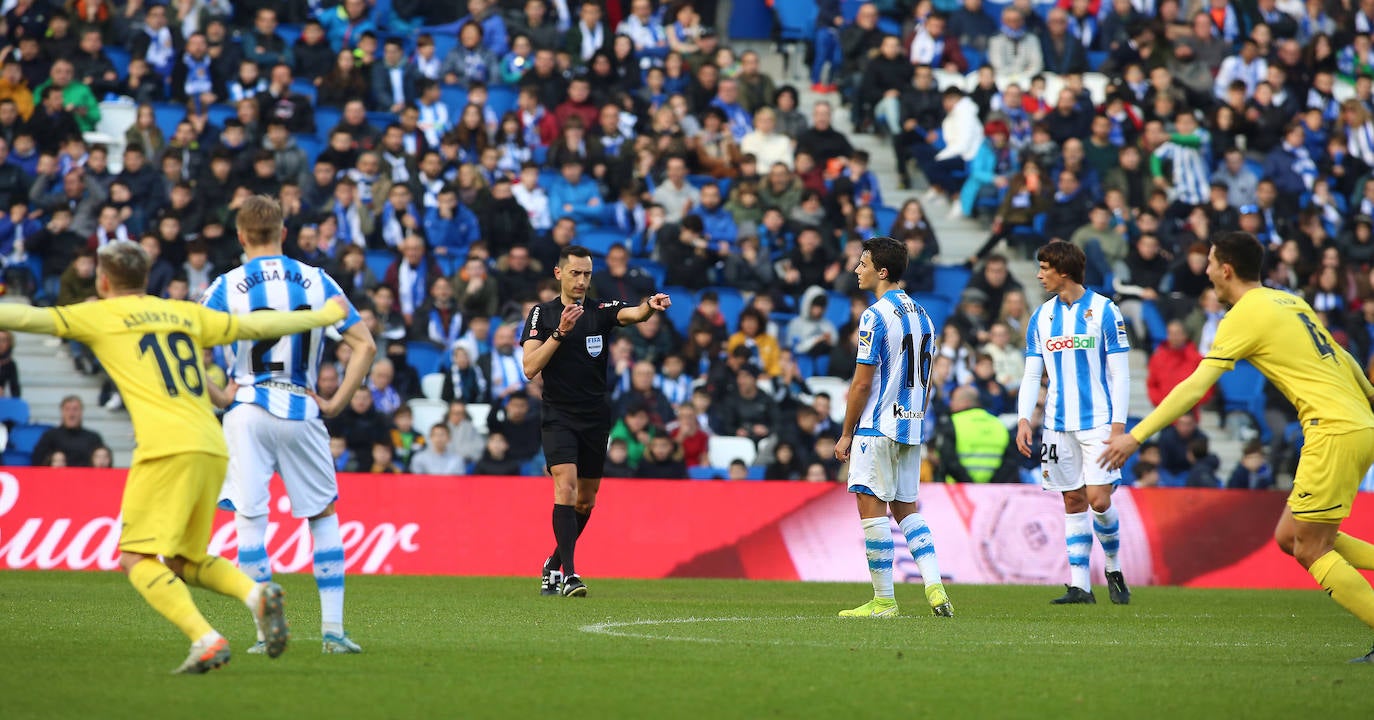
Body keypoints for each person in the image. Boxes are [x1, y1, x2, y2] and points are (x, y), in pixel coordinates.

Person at [0, 240, 349, 672]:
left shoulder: (101, 313)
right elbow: (256, 327)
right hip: (211, 443)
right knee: (185, 560)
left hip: (165, 448)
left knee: (135, 557)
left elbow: (26, 317)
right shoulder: (182, 311)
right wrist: (323, 316)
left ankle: (205, 638)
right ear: (146, 279)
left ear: (104, 280)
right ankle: (257, 594)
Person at [1103, 232, 1374, 662]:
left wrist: (1136, 435)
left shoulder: (1244, 314)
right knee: (1291, 535)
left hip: (1333, 429)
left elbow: (1195, 386)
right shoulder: (1289, 300)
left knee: (1310, 547)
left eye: (1210, 261)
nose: (1207, 270)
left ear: (1225, 269)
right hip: (1359, 423)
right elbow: (1344, 357)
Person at [202, 196, 376, 654]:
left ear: (240, 236)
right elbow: (366, 345)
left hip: (247, 409)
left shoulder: (226, 286)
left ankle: (264, 634)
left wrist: (219, 394)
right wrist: (336, 401)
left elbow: (188, 346)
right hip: (302, 406)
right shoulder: (317, 281)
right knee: (321, 517)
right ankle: (333, 632)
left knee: (250, 519)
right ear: (283, 233)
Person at [522, 245, 671, 598]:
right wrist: (559, 332)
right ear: (559, 274)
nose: (582, 280)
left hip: (594, 418)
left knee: (585, 503)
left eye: (587, 274)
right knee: (566, 487)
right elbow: (530, 368)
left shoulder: (601, 310)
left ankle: (553, 564)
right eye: (575, 273)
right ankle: (570, 576)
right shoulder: (541, 314)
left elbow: (633, 314)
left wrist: (649, 306)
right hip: (558, 415)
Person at [833, 236, 952, 619]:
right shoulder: (925, 315)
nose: (857, 269)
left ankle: (884, 601)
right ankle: (934, 586)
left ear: (882, 272)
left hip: (877, 426)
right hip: (912, 425)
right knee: (907, 509)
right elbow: (929, 379)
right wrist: (916, 416)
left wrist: (847, 432)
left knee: (872, 507)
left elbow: (862, 383)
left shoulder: (874, 315)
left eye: (863, 263)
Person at [1015, 240, 1132, 605]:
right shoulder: (1043, 316)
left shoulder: (1105, 311)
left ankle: (1112, 566)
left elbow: (1122, 375)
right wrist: (1024, 419)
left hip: (1098, 422)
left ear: (1063, 271)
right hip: (1056, 424)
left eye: (1044, 267)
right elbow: (1032, 374)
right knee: (1072, 500)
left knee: (1099, 500)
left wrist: (1118, 426)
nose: (1039, 274)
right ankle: (1080, 585)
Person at [32, 395, 104, 466]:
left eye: (75, 409)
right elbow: (38, 463)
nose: (71, 414)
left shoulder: (94, 438)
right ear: (62, 412)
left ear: (81, 412)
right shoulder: (49, 437)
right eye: (67, 409)